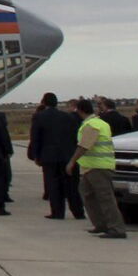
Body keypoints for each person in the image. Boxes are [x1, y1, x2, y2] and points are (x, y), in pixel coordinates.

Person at [67, 96, 125, 238]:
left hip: (98, 168)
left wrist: (72, 161)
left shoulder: (92, 125)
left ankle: (117, 228)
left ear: (79, 110)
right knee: (88, 196)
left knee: (105, 198)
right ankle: (101, 224)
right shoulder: (98, 122)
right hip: (90, 168)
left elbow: (84, 146)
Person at [29, 91, 84, 220]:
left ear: (43, 102)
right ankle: (78, 212)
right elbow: (75, 136)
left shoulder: (39, 117)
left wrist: (35, 155)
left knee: (54, 185)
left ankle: (57, 212)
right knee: (72, 186)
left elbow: (35, 137)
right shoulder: (69, 117)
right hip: (68, 155)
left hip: (49, 156)